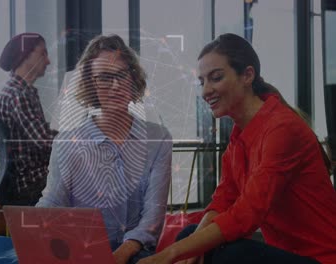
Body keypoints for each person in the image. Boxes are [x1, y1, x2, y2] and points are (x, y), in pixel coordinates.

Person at [138, 33, 336, 264]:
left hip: (322, 259)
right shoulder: (237, 140)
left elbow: (247, 214)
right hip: (286, 255)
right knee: (190, 236)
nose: (205, 91)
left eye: (216, 78)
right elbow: (223, 202)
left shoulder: (282, 129)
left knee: (229, 254)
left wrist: (168, 254)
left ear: (247, 75)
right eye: (202, 82)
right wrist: (191, 248)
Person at [36, 34, 172, 264]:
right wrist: (31, 230)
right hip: (82, 252)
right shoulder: (68, 143)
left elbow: (152, 218)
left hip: (135, 253)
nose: (116, 86)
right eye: (105, 78)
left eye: (122, 75)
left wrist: (120, 255)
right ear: (91, 85)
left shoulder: (158, 139)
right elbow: (53, 203)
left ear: (133, 79)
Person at [0, 32, 57, 205]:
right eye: (43, 53)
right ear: (25, 54)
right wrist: (78, 137)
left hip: (26, 179)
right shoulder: (18, 93)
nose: (48, 61)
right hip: (30, 182)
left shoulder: (17, 89)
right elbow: (44, 140)